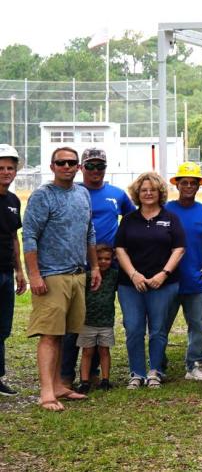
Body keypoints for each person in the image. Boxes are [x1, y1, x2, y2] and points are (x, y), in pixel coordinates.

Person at [23, 146, 101, 412]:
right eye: (61, 162)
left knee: (67, 333)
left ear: (78, 167)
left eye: (71, 163)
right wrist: (34, 274)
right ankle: (46, 393)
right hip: (52, 275)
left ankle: (57, 385)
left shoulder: (82, 193)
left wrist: (95, 267)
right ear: (52, 166)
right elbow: (30, 236)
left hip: (77, 274)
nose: (66, 166)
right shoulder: (43, 196)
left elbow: (89, 231)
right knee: (49, 335)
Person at [61, 147, 133, 386]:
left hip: (106, 266)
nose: (95, 171)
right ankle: (66, 375)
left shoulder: (117, 194)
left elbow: (132, 220)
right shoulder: (73, 192)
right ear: (81, 168)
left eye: (99, 166)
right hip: (76, 265)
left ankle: (92, 373)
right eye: (90, 166)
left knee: (99, 316)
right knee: (74, 322)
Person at [114, 171, 186, 389]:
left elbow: (179, 248)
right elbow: (119, 249)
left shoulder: (170, 218)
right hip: (130, 285)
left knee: (158, 329)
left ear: (159, 193)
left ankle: (155, 371)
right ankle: (136, 373)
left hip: (163, 283)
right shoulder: (128, 220)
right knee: (134, 328)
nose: (148, 193)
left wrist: (163, 274)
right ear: (137, 193)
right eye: (143, 190)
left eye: (152, 190)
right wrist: (133, 274)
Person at [164, 162, 202, 381]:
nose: (189, 187)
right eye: (185, 183)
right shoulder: (166, 210)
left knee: (196, 325)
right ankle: (158, 365)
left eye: (194, 183)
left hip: (194, 277)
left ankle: (194, 364)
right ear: (177, 185)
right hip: (168, 279)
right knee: (161, 325)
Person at [0, 143, 26, 397]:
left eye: (10, 168)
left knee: (3, 328)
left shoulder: (13, 201)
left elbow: (13, 237)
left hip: (7, 272)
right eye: (1, 168)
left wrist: (20, 271)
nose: (6, 172)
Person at [74, 246, 117, 394]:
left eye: (107, 259)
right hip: (87, 322)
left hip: (106, 322)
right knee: (87, 352)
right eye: (99, 259)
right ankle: (84, 381)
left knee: (104, 351)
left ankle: (105, 380)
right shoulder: (87, 276)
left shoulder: (114, 276)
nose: (104, 262)